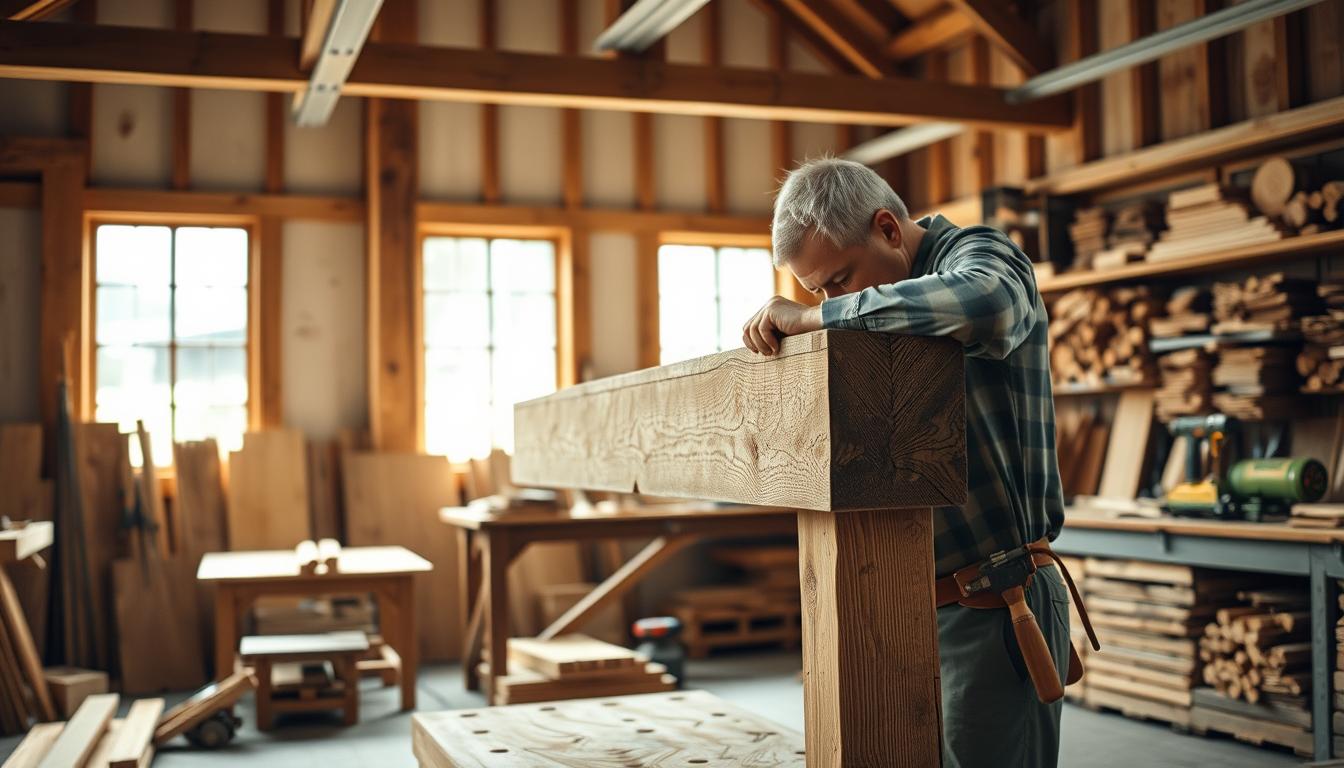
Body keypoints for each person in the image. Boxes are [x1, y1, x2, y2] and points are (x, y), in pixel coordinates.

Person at [742, 157, 1071, 768]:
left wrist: (814, 318)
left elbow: (989, 306)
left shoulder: (982, 255)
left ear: (889, 229)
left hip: (995, 604)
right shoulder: (873, 308)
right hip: (901, 606)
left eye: (839, 280)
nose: (832, 301)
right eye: (817, 292)